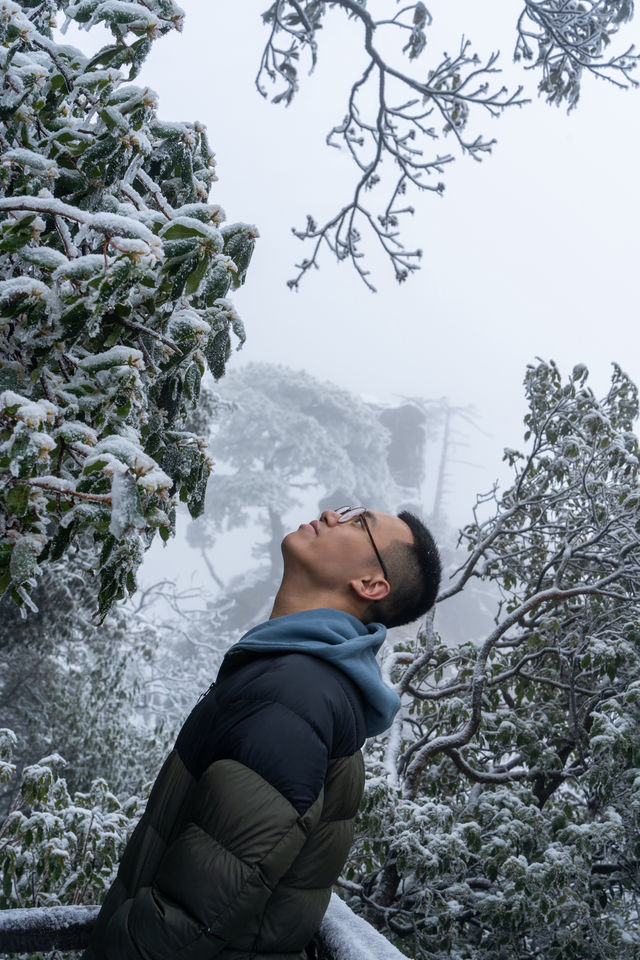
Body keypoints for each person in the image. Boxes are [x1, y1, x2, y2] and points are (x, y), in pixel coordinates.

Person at [84, 506, 441, 960]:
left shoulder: (294, 694)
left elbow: (192, 920)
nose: (333, 513)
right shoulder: (298, 676)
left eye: (358, 523)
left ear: (371, 585)